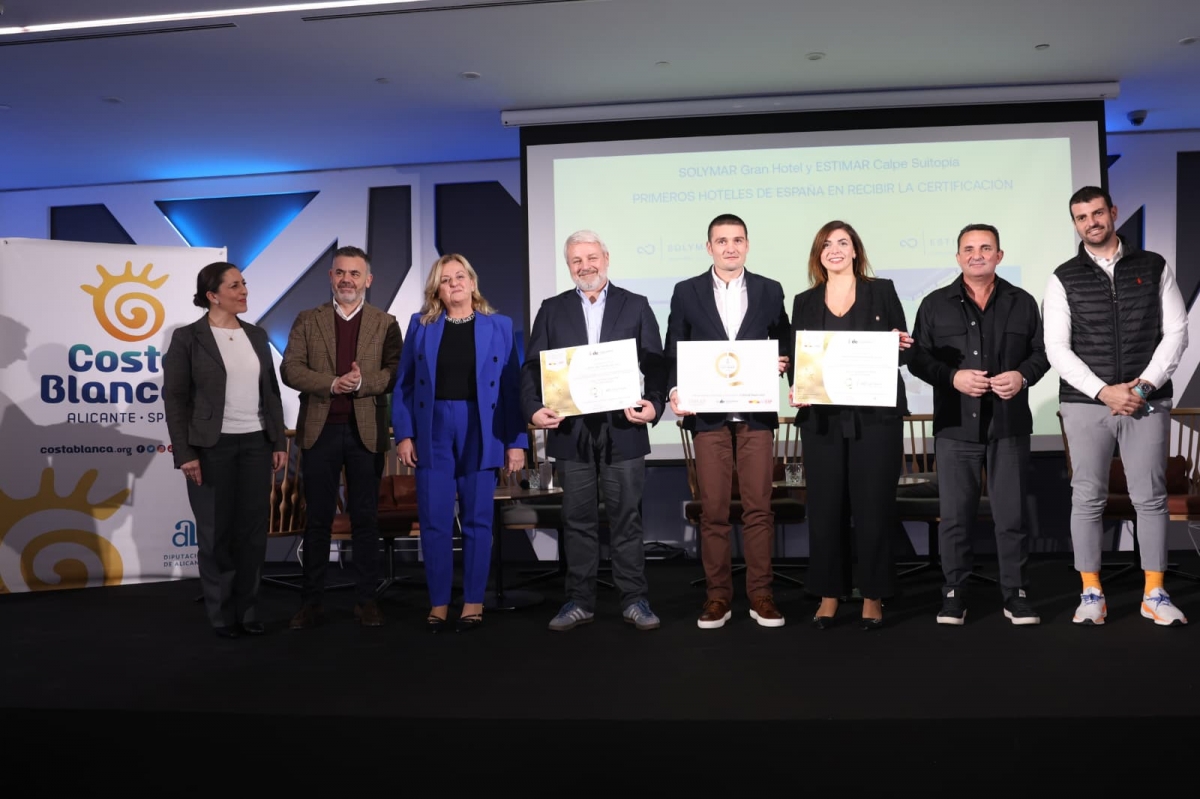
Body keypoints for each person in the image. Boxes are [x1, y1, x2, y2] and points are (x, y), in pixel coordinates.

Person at [1045, 186, 1189, 627]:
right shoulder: (1063, 276)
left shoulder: (1153, 265)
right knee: (1087, 497)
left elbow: (1177, 331)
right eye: (1081, 216)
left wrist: (1144, 387)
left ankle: (1154, 594)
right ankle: (1091, 592)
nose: (1090, 221)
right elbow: (1056, 348)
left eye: (1097, 212)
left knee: (1151, 498)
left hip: (1147, 401)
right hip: (1087, 404)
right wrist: (1104, 391)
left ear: (1113, 213)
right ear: (1075, 224)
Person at [522, 230, 668, 632]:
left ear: (606, 257)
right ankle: (579, 601)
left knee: (627, 519)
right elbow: (533, 367)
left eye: (591, 258)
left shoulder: (635, 305)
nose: (585, 266)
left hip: (624, 429)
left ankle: (635, 599)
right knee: (578, 519)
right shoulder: (551, 309)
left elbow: (655, 362)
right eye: (575, 261)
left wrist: (654, 403)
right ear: (568, 265)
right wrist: (534, 409)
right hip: (571, 431)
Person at [908, 224, 1050, 626]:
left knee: (1012, 516)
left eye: (986, 248)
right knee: (954, 518)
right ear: (957, 257)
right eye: (968, 249)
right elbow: (917, 358)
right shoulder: (935, 304)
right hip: (955, 427)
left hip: (1009, 425)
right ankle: (954, 594)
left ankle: (1016, 594)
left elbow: (1041, 353)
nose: (977, 255)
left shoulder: (1022, 302)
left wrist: (1022, 376)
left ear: (999, 255)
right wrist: (951, 377)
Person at [665, 213, 791, 630]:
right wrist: (673, 392)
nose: (730, 247)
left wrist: (786, 362)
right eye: (721, 241)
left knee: (759, 509)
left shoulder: (770, 290)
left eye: (737, 239)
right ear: (709, 247)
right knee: (714, 511)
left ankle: (761, 594)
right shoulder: (686, 292)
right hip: (707, 415)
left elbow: (785, 340)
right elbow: (674, 350)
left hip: (755, 414)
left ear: (747, 245)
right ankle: (718, 596)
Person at [787, 221, 912, 631]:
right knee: (825, 508)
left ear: (856, 250)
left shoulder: (883, 291)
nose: (834, 249)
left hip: (875, 418)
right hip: (822, 418)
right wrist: (797, 387)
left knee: (874, 506)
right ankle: (828, 594)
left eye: (842, 242)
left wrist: (902, 344)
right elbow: (799, 359)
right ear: (818, 254)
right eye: (826, 244)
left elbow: (904, 354)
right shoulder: (804, 301)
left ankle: (873, 595)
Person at [392, 254, 527, 633]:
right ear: (436, 287)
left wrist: (515, 443)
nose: (454, 283)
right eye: (445, 278)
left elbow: (512, 388)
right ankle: (438, 603)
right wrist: (404, 434)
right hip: (432, 427)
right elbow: (404, 384)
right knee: (434, 520)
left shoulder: (499, 325)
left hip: (481, 427)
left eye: (460, 276)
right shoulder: (421, 325)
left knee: (477, 519)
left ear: (472, 281)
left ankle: (472, 601)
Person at [163, 261, 287, 638]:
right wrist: (185, 453)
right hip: (209, 447)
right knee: (216, 533)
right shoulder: (188, 338)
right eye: (235, 286)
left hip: (255, 443)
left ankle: (247, 612)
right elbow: (176, 399)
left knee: (251, 533)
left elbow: (272, 393)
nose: (244, 291)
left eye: (244, 284)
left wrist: (278, 440)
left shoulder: (257, 335)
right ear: (212, 295)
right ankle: (221, 615)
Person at [280, 245, 402, 629]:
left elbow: (395, 371)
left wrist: (363, 383)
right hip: (320, 431)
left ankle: (366, 600)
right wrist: (332, 383)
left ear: (368, 280)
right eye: (340, 272)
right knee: (317, 519)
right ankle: (311, 601)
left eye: (354, 273)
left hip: (367, 432)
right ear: (330, 277)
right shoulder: (306, 319)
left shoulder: (385, 322)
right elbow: (290, 369)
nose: (347, 279)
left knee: (366, 518)